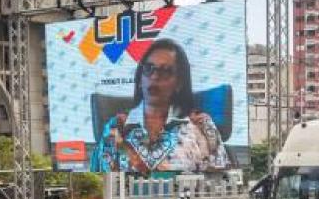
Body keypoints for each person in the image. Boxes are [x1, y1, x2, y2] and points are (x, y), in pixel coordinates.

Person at [90, 38, 229, 174]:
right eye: (149, 68)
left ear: (179, 83)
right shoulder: (116, 127)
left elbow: (220, 176)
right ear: (140, 79)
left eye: (166, 71)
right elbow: (103, 180)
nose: (155, 76)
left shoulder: (200, 125)